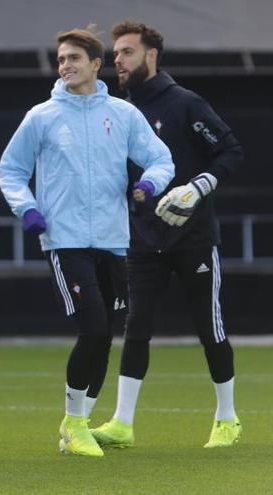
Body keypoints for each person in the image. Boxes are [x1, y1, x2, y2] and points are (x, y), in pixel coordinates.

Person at [0, 26, 175, 457]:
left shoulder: (123, 114)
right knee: (92, 328)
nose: (66, 66)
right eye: (61, 59)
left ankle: (77, 422)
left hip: (113, 240)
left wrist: (149, 186)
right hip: (65, 239)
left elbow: (161, 158)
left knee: (105, 336)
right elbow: (10, 170)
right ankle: (75, 423)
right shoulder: (41, 116)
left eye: (74, 58)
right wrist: (28, 209)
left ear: (96, 64)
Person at [90, 21, 244, 449]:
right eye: (115, 53)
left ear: (151, 55)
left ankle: (227, 418)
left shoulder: (185, 104)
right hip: (141, 240)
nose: (116, 60)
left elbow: (231, 150)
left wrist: (198, 187)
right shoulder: (116, 109)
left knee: (209, 328)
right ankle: (122, 423)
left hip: (193, 239)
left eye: (126, 52)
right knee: (136, 328)